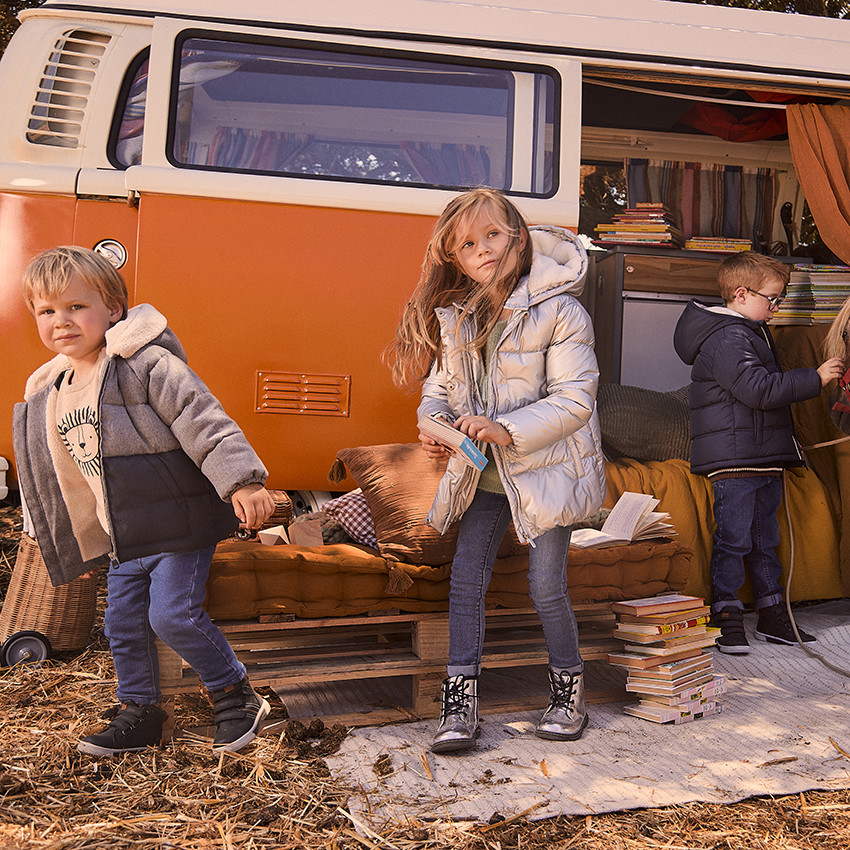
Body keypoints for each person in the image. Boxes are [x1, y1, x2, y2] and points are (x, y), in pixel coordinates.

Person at [13, 246, 277, 757]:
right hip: (124, 535)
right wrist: (79, 542)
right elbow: (60, 479)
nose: (61, 321)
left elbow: (203, 421)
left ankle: (235, 693)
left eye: (76, 307)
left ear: (113, 309)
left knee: (172, 616)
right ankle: (142, 712)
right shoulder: (51, 389)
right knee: (122, 626)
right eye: (47, 311)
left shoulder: (144, 363)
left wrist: (243, 481)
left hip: (177, 521)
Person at [385, 188, 606, 753]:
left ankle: (567, 693)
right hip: (481, 473)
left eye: (492, 236)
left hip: (546, 470)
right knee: (466, 579)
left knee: (546, 586)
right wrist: (438, 426)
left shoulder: (561, 310)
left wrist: (506, 429)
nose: (481, 250)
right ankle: (459, 707)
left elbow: (575, 399)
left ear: (519, 239)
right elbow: (437, 392)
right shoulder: (459, 318)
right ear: (454, 258)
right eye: (466, 244)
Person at [673, 251, 844, 654]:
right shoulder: (727, 337)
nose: (776, 306)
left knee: (765, 538)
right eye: (773, 298)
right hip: (735, 460)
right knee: (733, 539)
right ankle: (727, 615)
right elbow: (759, 390)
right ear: (740, 293)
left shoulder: (749, 330)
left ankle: (771, 613)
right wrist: (814, 379)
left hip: (759, 454)